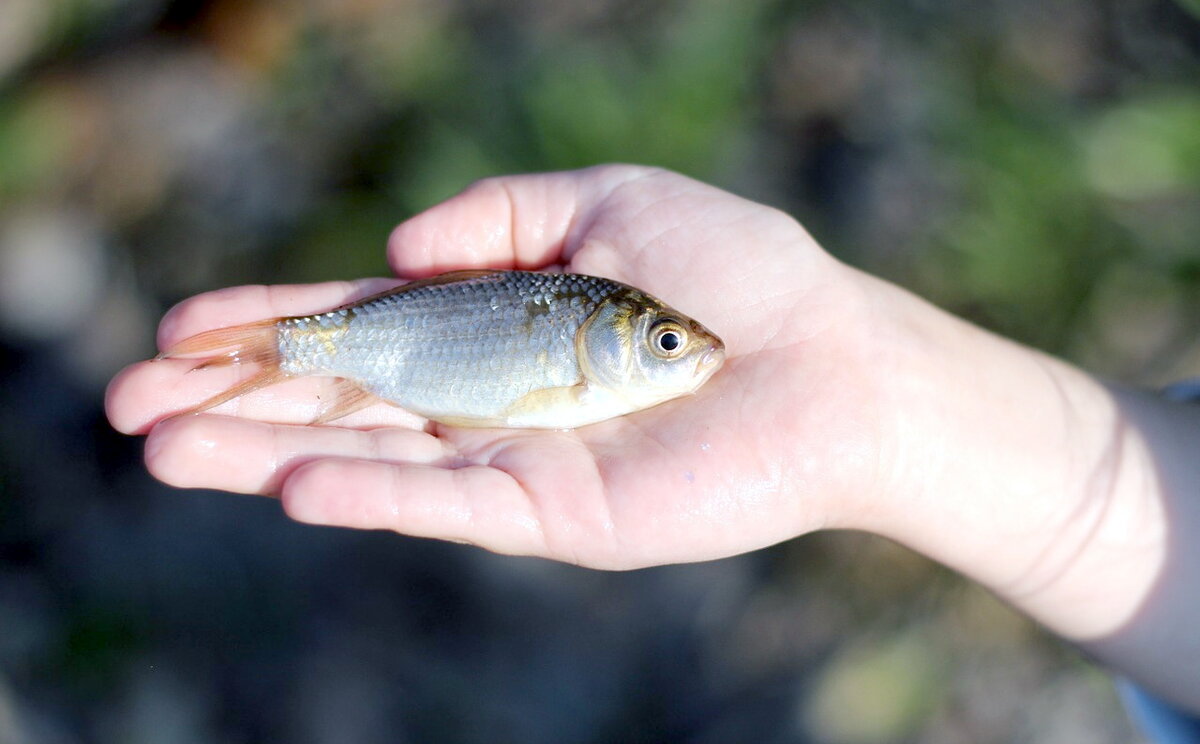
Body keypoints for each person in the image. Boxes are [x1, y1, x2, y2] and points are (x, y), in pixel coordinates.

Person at [106, 165, 1200, 721]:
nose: (688, 351)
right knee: (292, 359)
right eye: (667, 341)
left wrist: (875, 402)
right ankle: (271, 351)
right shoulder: (575, 336)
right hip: (396, 348)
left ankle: (273, 351)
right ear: (616, 331)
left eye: (668, 337)